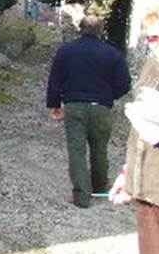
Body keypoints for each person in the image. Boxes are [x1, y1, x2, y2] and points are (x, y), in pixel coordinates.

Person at [109, 6, 159, 254]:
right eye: (150, 37)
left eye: (158, 37)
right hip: (146, 184)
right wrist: (127, 172)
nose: (152, 44)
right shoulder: (152, 66)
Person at [46, 14, 132, 207]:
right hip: (101, 107)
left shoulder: (66, 51)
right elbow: (125, 84)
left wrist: (55, 105)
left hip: (74, 106)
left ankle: (81, 197)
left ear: (80, 28)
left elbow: (55, 80)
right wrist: (109, 96)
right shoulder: (113, 54)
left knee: (76, 150)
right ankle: (100, 188)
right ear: (100, 31)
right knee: (100, 149)